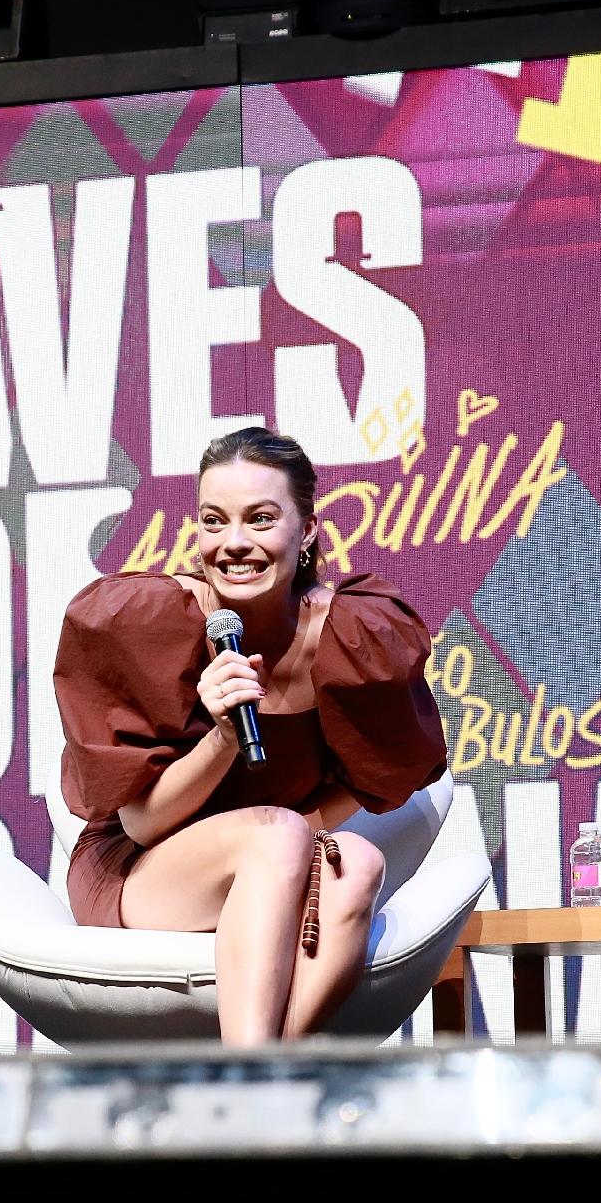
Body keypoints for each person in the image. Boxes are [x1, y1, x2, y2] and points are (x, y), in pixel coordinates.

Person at [54, 427, 448, 1045]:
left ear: (308, 531)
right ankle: (252, 1077)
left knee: (358, 861)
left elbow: (375, 781)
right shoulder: (155, 619)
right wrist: (223, 737)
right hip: (142, 871)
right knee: (278, 834)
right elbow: (142, 824)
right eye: (214, 522)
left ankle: (269, 1081)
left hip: (272, 859)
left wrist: (291, 850)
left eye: (261, 519)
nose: (233, 544)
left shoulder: (353, 635)